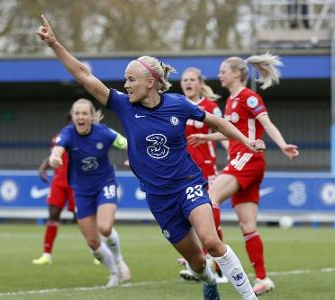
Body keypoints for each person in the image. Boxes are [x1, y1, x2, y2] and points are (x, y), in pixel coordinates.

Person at [38, 14, 262, 300]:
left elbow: (216, 123)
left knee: (211, 242)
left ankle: (249, 297)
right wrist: (55, 43)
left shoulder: (178, 105)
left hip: (188, 183)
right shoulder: (122, 105)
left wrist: (246, 140)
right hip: (159, 197)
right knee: (197, 262)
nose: (126, 84)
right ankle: (208, 281)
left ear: (151, 81)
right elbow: (83, 74)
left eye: (131, 79)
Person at [187, 53, 299, 295]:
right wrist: (207, 136)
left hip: (248, 160)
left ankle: (208, 257)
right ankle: (262, 278)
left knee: (209, 198)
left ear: (237, 74)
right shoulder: (230, 101)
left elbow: (266, 123)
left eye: (223, 71)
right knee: (247, 226)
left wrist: (283, 145)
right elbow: (230, 132)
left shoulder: (249, 97)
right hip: (242, 161)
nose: (219, 75)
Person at [48, 98, 131, 288]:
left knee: (105, 228)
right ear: (73, 117)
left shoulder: (103, 132)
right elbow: (57, 151)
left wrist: (133, 159)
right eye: (77, 113)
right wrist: (54, 159)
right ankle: (113, 273)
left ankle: (118, 261)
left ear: (92, 116)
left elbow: (127, 143)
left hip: (105, 184)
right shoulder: (67, 133)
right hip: (81, 190)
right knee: (93, 243)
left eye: (84, 113)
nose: (80, 117)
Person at [178, 67, 228, 284]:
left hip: (205, 171)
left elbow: (225, 130)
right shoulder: (178, 105)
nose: (188, 83)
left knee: (210, 220)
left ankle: (220, 267)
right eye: (185, 80)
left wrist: (229, 150)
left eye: (192, 80)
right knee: (186, 220)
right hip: (181, 171)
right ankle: (198, 261)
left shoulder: (210, 107)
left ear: (200, 83)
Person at [32, 113, 77, 265]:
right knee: (53, 214)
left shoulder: (86, 136)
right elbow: (53, 155)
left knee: (83, 218)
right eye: (74, 117)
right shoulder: (59, 137)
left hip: (77, 182)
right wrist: (43, 167)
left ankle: (97, 252)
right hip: (58, 181)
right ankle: (46, 254)